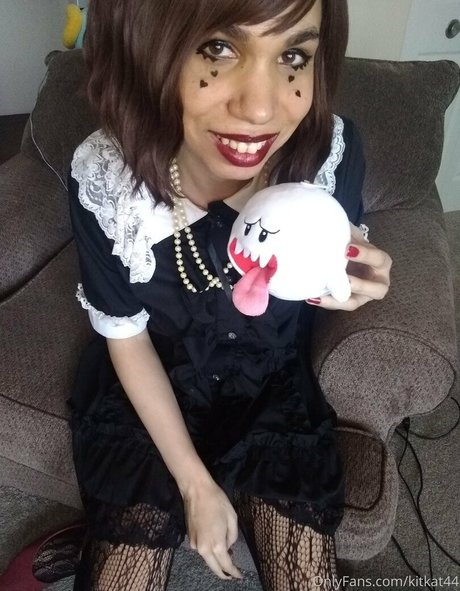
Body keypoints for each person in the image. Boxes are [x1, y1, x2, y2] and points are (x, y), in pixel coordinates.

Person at [67, 0, 392, 589]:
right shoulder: (106, 178)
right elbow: (127, 337)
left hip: (271, 389)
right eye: (217, 48)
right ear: (146, 49)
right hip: (152, 383)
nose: (262, 109)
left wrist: (356, 273)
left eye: (293, 56)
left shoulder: (328, 156)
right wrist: (196, 486)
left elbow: (338, 254)